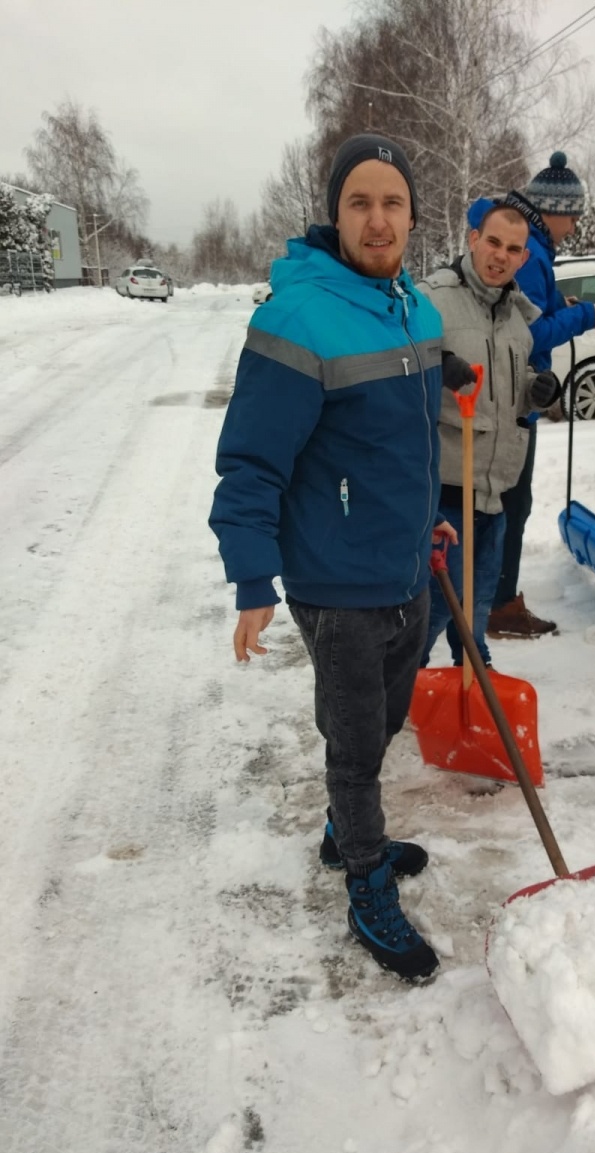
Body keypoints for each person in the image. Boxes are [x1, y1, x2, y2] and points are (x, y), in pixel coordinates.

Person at [209, 133, 464, 983]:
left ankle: (344, 826)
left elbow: (409, 447)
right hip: (336, 582)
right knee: (354, 748)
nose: (378, 217)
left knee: (383, 725)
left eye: (393, 201)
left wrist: (427, 521)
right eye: (360, 201)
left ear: (413, 216)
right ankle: (364, 876)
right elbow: (251, 460)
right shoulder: (296, 317)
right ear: (335, 213)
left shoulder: (415, 311)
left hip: (405, 569)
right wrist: (252, 577)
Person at [470, 153, 595, 639]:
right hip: (511, 397)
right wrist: (585, 316)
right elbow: (527, 332)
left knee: (505, 500)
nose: (574, 226)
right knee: (510, 502)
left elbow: (529, 309)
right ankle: (497, 605)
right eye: (572, 215)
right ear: (551, 209)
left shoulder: (532, 245)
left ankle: (489, 598)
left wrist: (562, 305)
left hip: (510, 392)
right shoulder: (526, 248)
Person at [417, 203, 560, 668]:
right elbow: (394, 366)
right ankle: (402, 677)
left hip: (496, 491)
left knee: (476, 602)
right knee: (440, 603)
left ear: (523, 258)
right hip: (446, 489)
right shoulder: (433, 299)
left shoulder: (518, 315)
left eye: (513, 249)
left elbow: (509, 399)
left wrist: (536, 394)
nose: (500, 256)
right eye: (493, 242)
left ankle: (474, 668)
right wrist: (436, 366)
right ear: (474, 238)